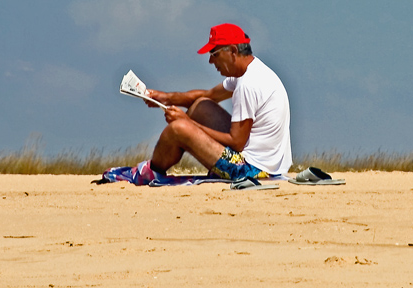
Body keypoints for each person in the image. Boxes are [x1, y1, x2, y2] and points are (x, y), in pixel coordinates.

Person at [100, 23, 292, 186]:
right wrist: (165, 98)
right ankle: (155, 168)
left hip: (253, 170)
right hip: (269, 165)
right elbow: (209, 95)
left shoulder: (247, 86)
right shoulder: (253, 71)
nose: (210, 61)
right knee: (201, 106)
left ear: (233, 51)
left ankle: (148, 173)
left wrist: (189, 123)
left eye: (214, 54)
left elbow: (237, 142)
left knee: (178, 128)